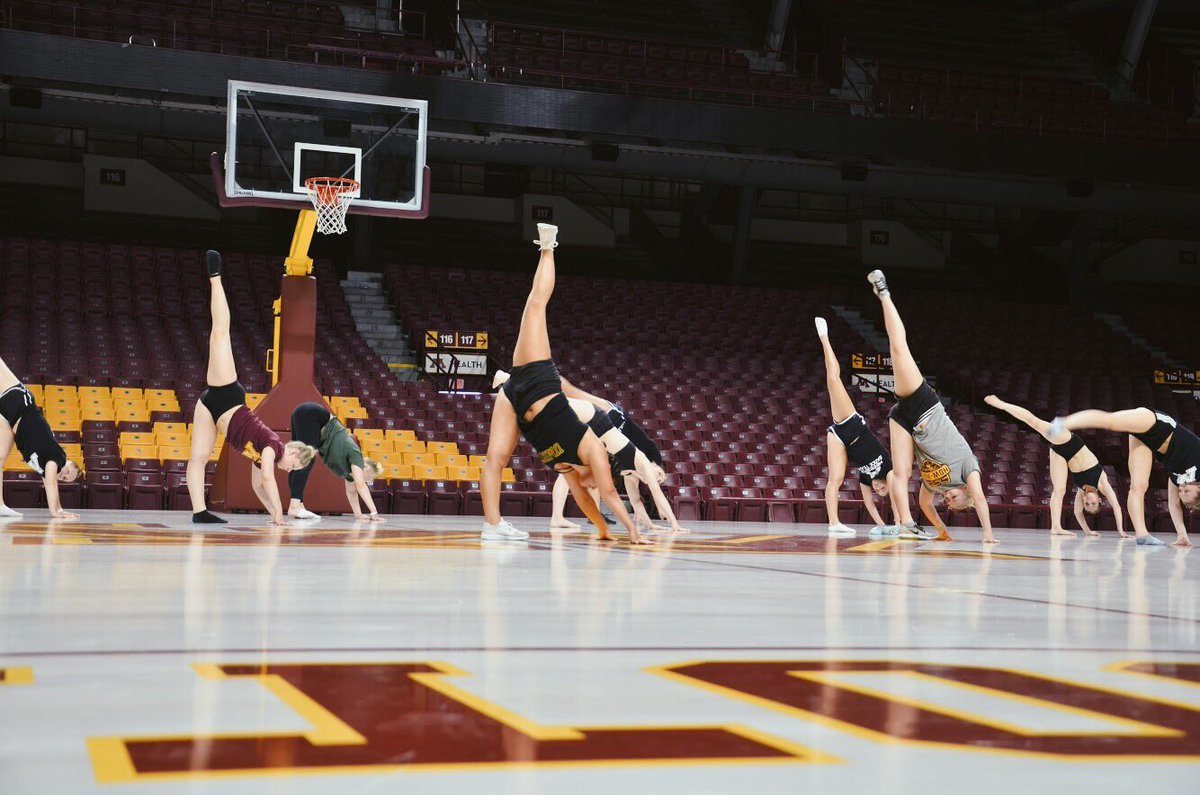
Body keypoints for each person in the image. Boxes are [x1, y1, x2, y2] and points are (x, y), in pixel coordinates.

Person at [479, 224, 650, 544]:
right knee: (535, 306)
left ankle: (492, 525)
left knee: (495, 459)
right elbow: (608, 494)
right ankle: (548, 247)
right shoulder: (592, 453)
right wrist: (627, 529)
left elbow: (592, 500)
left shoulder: (572, 467)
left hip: (518, 396)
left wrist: (609, 529)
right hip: (536, 378)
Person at [867, 269, 999, 544]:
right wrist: (987, 534)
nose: (947, 498)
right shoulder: (969, 468)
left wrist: (942, 531)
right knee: (898, 349)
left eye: (948, 502)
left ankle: (906, 524)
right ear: (967, 491)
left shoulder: (934, 485)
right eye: (954, 498)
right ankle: (884, 293)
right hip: (924, 404)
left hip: (905, 418)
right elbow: (983, 501)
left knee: (899, 473)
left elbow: (926, 504)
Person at [187, 250, 316, 525]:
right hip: (227, 396)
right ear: (291, 453)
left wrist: (272, 514)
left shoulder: (262, 458)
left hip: (212, 411)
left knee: (198, 458)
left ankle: (199, 512)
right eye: (294, 466)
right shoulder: (271, 446)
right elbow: (269, 478)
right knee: (220, 333)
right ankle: (215, 276)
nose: (289, 470)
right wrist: (281, 515)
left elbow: (258, 486)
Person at [1047, 407, 1197, 547]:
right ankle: (1062, 423)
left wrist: (1182, 534)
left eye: (1181, 493)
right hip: (1158, 424)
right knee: (1111, 421)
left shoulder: (1178, 479)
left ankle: (1142, 535)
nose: (1181, 489)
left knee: (1139, 485)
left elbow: (1174, 505)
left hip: (1148, 442)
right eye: (1187, 491)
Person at [985, 395, 1126, 538]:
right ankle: (1002, 404)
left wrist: (1088, 531)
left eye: (1087, 505)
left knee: (1059, 490)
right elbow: (1116, 507)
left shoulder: (1080, 491)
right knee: (1033, 422)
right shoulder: (1102, 483)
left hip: (1060, 454)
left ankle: (1056, 527)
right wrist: (1121, 531)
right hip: (1070, 442)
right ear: (1099, 500)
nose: (1089, 502)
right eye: (1093, 504)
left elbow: (1077, 512)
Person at [815, 316, 898, 537]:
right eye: (883, 490)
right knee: (833, 379)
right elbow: (897, 497)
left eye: (878, 490)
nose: (879, 489)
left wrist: (882, 525)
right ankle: (824, 337)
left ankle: (833, 523)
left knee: (835, 479)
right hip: (851, 423)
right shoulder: (888, 469)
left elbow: (869, 504)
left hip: (839, 437)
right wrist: (899, 521)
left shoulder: (866, 479)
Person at [0, 356, 82, 520]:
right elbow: (51, 484)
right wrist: (56, 511)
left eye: (65, 479)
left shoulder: (45, 468)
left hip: (10, 420)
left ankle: (0, 505)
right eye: (67, 472)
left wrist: (59, 508)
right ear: (67, 462)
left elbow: (48, 481)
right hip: (20, 403)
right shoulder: (57, 458)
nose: (63, 476)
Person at [287, 402, 385, 522]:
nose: (367, 481)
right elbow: (360, 485)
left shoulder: (349, 472)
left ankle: (298, 504)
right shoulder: (357, 457)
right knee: (306, 459)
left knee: (298, 461)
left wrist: (359, 515)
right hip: (312, 415)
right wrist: (374, 512)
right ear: (367, 468)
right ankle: (295, 505)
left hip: (303, 414)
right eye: (369, 479)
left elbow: (351, 491)